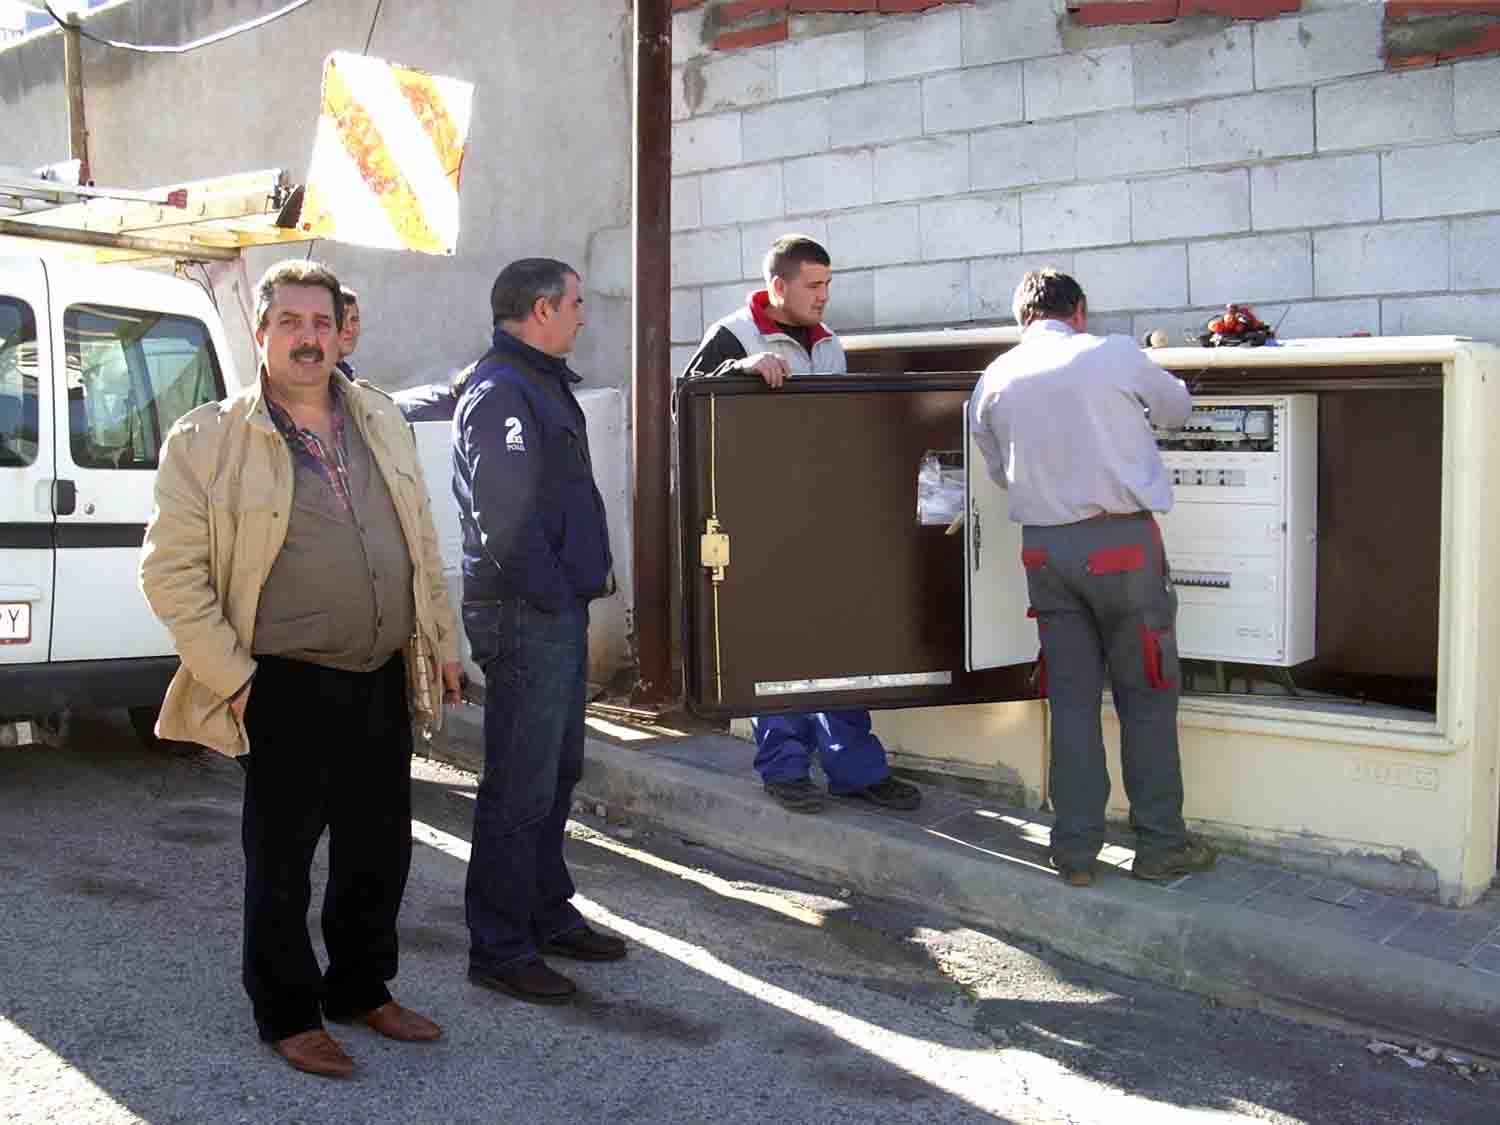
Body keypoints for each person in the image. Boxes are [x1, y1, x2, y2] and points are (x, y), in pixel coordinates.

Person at [139, 259, 462, 1078]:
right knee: (280, 861)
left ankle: (361, 986)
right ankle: (288, 1012)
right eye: (290, 322)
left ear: (341, 330)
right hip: (282, 681)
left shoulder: (380, 417)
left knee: (378, 847)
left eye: (322, 322)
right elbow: (169, 574)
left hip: (381, 671)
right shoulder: (208, 438)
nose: (308, 338)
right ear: (262, 332)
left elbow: (420, 536)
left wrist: (440, 638)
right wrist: (239, 681)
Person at [967, 268, 1217, 888]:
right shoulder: (1112, 352)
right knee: (1147, 697)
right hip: (1122, 548)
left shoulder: (994, 376)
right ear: (1079, 310)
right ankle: (1160, 847)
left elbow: (998, 470)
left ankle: (1075, 853)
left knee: (1072, 701)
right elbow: (1177, 409)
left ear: (1023, 319)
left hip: (1046, 554)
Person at [682, 234, 921, 816]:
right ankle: (785, 769)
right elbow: (686, 399)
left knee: (840, 645)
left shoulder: (829, 344)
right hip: (761, 522)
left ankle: (855, 769)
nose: (823, 297)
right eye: (814, 286)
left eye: (828, 286)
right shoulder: (733, 334)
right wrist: (739, 370)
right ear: (778, 287)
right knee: (781, 651)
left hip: (826, 520)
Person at [454, 258, 624, 1004]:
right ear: (543, 309)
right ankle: (498, 945)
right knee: (518, 785)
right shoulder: (500, 392)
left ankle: (545, 911)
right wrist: (554, 596)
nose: (584, 314)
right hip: (527, 611)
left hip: (552, 609)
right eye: (577, 303)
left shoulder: (541, 381)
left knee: (555, 773)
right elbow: (505, 522)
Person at [335, 285, 360, 379]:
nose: (349, 328)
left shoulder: (345, 374)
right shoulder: (317, 381)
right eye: (341, 319)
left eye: (354, 319)